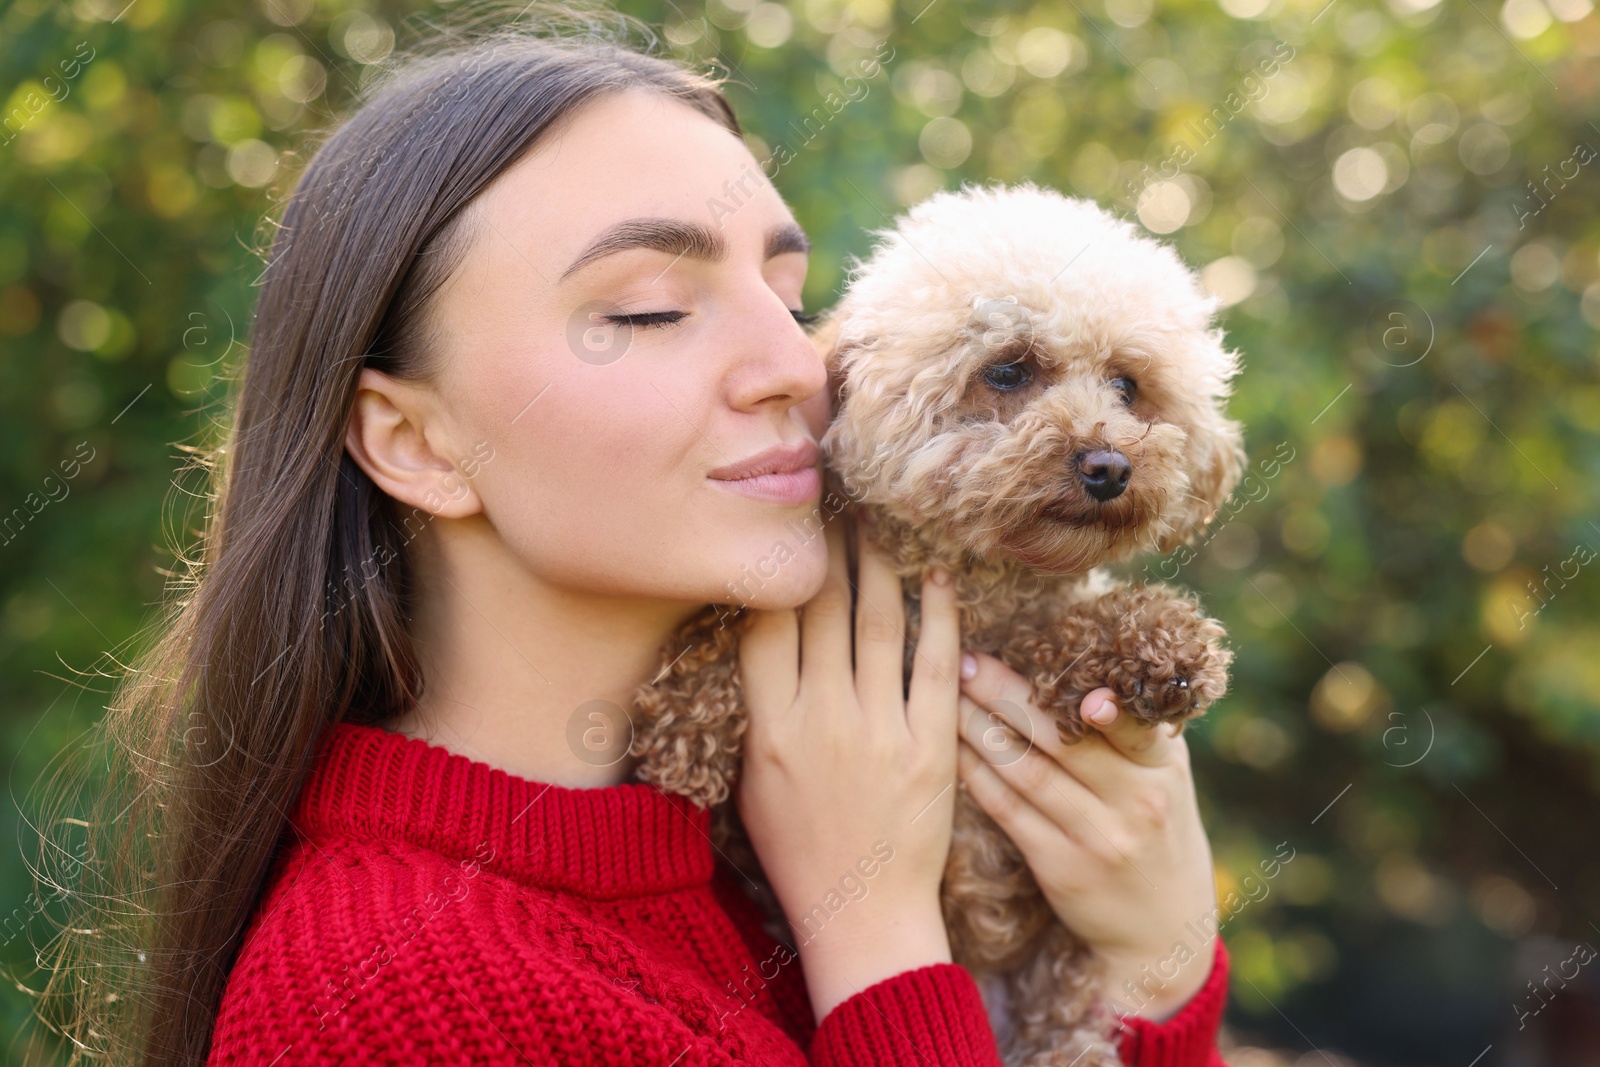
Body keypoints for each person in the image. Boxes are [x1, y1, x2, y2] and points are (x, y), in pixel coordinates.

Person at [38, 12, 1229, 1067]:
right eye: (648, 309)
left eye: (789, 295)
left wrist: (1152, 966)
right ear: (415, 442)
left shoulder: (769, 814)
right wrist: (875, 933)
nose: (793, 367)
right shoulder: (383, 995)